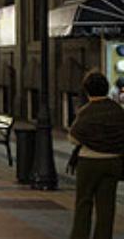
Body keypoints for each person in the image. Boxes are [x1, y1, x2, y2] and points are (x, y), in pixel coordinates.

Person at [69, 72, 124, 239]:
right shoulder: (117, 110)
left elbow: (73, 136)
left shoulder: (86, 111)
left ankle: (80, 235)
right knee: (107, 207)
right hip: (113, 161)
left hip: (89, 162)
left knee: (84, 203)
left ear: (87, 90)